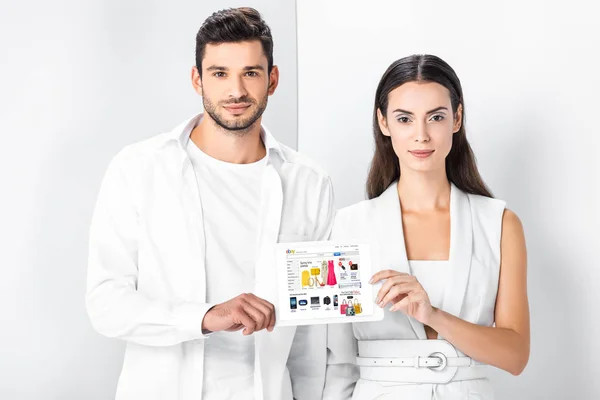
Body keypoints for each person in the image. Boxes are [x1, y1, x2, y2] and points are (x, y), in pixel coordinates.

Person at [86, 8, 333, 400]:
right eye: (219, 73)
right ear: (197, 78)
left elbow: (311, 335)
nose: (235, 91)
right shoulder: (138, 169)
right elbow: (105, 303)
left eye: (250, 73)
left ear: (273, 79)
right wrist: (204, 317)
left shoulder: (309, 183)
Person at [323, 54, 530, 399]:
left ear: (456, 118)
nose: (421, 135)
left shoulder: (499, 223)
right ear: (384, 123)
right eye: (405, 119)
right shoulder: (349, 225)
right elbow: (338, 361)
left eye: (435, 117)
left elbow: (516, 355)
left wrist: (432, 314)